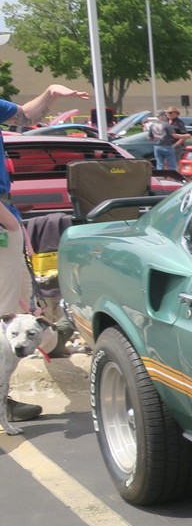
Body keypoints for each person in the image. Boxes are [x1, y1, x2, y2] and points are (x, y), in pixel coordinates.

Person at [1, 83, 88, 423]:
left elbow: (23, 116)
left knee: (22, 304)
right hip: (3, 225)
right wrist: (10, 225)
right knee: (9, 312)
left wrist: (50, 94)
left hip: (7, 223)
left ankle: (55, 338)